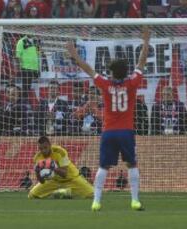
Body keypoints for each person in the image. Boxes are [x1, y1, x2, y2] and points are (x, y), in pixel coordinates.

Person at [66, 27, 150, 211]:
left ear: (112, 73)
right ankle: (135, 200)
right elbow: (142, 61)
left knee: (103, 166)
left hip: (109, 131)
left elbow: (88, 69)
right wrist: (145, 41)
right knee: (131, 164)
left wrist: (74, 54)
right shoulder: (132, 82)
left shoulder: (105, 84)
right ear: (125, 71)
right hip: (126, 131)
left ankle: (96, 201)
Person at [28, 136, 94, 199]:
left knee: (92, 194)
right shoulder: (38, 158)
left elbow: (64, 174)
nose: (43, 151)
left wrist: (53, 167)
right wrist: (37, 172)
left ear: (50, 145)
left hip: (71, 179)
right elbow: (42, 182)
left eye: (45, 147)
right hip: (53, 181)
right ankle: (62, 193)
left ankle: (65, 192)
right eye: (41, 149)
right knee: (32, 195)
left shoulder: (60, 152)